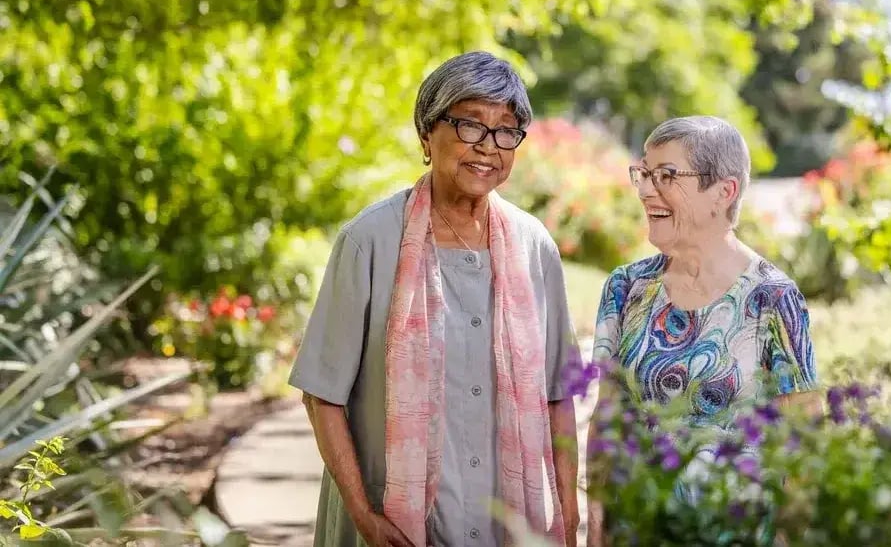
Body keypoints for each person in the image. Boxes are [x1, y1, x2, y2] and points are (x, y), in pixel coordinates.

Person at [289, 51, 581, 547]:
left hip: (504, 528)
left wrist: (568, 520)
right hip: (392, 526)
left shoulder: (535, 249)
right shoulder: (370, 241)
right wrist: (364, 516)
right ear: (427, 134)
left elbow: (559, 395)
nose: (488, 146)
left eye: (506, 131)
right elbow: (321, 396)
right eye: (470, 124)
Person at [584, 116, 821, 544]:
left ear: (723, 192)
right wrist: (596, 527)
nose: (644, 189)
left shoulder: (773, 298)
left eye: (667, 175)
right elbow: (607, 421)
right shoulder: (627, 288)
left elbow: (803, 444)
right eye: (644, 173)